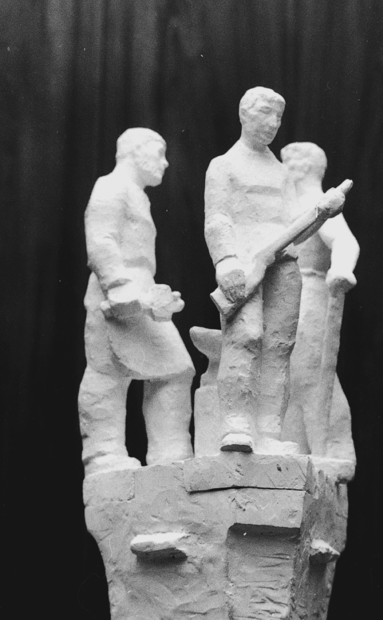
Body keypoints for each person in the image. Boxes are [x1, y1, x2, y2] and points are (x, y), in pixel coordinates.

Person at [78, 128, 195, 477]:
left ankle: (169, 455)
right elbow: (101, 240)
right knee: (109, 372)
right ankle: (104, 454)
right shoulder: (111, 186)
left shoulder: (136, 194)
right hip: (116, 293)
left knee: (170, 369)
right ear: (135, 152)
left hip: (139, 290)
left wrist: (154, 297)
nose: (165, 162)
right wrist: (119, 286)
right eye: (159, 153)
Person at [204, 88, 302, 454]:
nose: (273, 123)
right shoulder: (224, 165)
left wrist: (321, 214)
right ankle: (237, 425)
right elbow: (217, 217)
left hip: (284, 264)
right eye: (265, 113)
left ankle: (269, 432)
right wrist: (226, 260)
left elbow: (296, 223)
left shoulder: (282, 172)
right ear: (244, 114)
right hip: (246, 262)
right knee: (245, 337)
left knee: (279, 346)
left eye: (279, 116)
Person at [279, 142, 358, 463]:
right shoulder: (291, 203)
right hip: (286, 295)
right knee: (289, 376)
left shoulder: (317, 201)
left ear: (303, 167)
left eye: (286, 163)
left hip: (309, 293)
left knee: (310, 371)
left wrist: (341, 269)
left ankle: (336, 447)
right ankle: (298, 447)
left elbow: (344, 240)